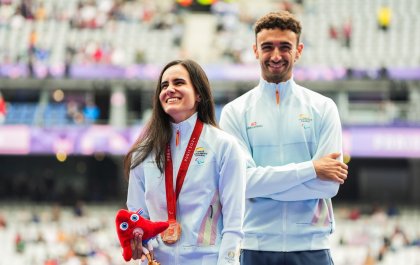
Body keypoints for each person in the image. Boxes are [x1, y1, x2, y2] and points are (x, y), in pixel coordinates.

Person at [219, 11, 348, 265]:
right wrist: (312, 169)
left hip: (312, 246)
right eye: (267, 47)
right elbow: (242, 184)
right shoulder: (235, 112)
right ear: (255, 51)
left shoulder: (323, 108)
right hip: (255, 246)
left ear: (298, 51)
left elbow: (329, 186)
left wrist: (264, 183)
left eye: (284, 47)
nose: (276, 56)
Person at [124, 59, 245, 265]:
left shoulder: (224, 146)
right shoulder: (144, 152)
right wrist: (138, 243)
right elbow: (137, 214)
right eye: (164, 85)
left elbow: (234, 224)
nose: (170, 89)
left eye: (178, 83)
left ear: (199, 94)